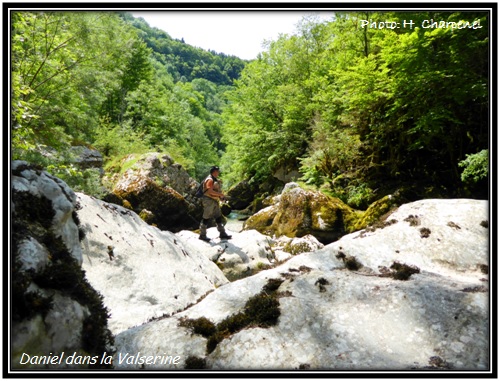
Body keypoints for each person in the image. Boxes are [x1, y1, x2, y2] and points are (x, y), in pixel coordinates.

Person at [199, 166, 232, 242]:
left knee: (218, 216)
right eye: (217, 171)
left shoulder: (214, 179)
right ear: (214, 172)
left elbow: (215, 191)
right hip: (208, 201)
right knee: (206, 216)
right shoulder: (210, 180)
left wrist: (220, 197)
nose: (218, 172)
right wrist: (220, 195)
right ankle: (202, 235)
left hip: (214, 200)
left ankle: (222, 233)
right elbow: (209, 191)